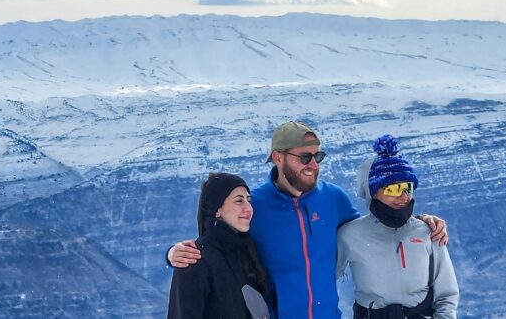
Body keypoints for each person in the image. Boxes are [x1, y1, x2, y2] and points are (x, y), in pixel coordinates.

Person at [168, 122, 449, 319]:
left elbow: (374, 231)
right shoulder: (255, 206)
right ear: (278, 157)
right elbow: (219, 244)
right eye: (305, 157)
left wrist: (420, 221)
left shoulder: (334, 199)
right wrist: (172, 254)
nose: (314, 165)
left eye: (318, 156)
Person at [337, 134, 459, 318]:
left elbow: (446, 295)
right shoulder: (350, 235)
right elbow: (321, 279)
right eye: (393, 189)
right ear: (373, 192)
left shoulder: (428, 232)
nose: (403, 197)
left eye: (407, 187)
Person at [167, 172, 271, 319]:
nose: (249, 208)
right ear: (217, 210)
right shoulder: (195, 257)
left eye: (249, 200)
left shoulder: (247, 250)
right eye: (239, 201)